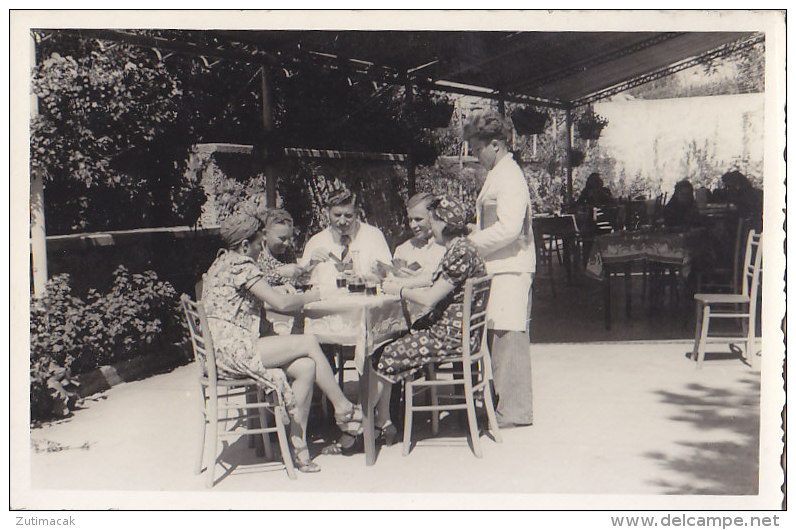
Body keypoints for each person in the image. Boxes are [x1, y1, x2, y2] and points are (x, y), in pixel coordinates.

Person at [201, 207, 363, 473]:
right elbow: (281, 303)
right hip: (235, 351)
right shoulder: (241, 264)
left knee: (306, 366)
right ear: (245, 245)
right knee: (309, 342)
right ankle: (344, 408)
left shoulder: (221, 261)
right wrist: (315, 295)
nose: (260, 248)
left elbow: (262, 294)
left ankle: (298, 446)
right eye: (258, 243)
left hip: (226, 349)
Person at [373, 196, 487, 444]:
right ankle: (381, 421)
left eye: (433, 222)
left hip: (448, 337)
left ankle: (372, 424)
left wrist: (400, 291)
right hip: (457, 333)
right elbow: (431, 280)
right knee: (390, 344)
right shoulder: (462, 248)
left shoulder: (459, 253)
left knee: (382, 354)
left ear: (444, 223)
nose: (430, 228)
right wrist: (397, 283)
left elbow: (429, 299)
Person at [463, 110, 535, 428]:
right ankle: (504, 404)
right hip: (500, 266)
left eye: (477, 148)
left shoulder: (509, 176)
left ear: (495, 144)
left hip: (510, 267)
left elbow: (508, 229)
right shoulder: (499, 173)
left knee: (508, 336)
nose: (475, 155)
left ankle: (516, 411)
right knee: (499, 335)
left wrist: (472, 243)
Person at [300, 189, 392, 281]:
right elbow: (300, 281)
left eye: (348, 216)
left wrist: (368, 278)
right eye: (337, 215)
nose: (342, 221)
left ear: (357, 214)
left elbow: (389, 275)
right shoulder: (316, 241)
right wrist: (311, 264)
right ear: (328, 213)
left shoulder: (373, 236)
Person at [390, 192, 447, 288]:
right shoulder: (403, 249)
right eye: (410, 220)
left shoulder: (444, 247)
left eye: (418, 219)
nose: (413, 226)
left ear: (433, 217)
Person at [256, 208, 304, 287]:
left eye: (289, 238)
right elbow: (253, 283)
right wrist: (279, 273)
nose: (286, 243)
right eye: (282, 239)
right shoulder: (256, 255)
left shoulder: (288, 253)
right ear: (264, 234)